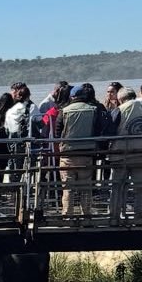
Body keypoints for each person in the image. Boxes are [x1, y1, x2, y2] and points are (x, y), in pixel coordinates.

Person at [55, 83, 107, 223]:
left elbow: (57, 132)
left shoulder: (64, 111)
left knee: (68, 188)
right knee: (86, 188)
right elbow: (98, 130)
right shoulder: (93, 110)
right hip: (87, 154)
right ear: (84, 96)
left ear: (72, 97)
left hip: (67, 155)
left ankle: (67, 217)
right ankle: (87, 216)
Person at [107, 87, 142, 227]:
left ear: (121, 99)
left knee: (116, 187)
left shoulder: (120, 109)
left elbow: (110, 131)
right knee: (141, 188)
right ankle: (139, 217)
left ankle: (114, 218)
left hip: (121, 154)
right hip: (141, 153)